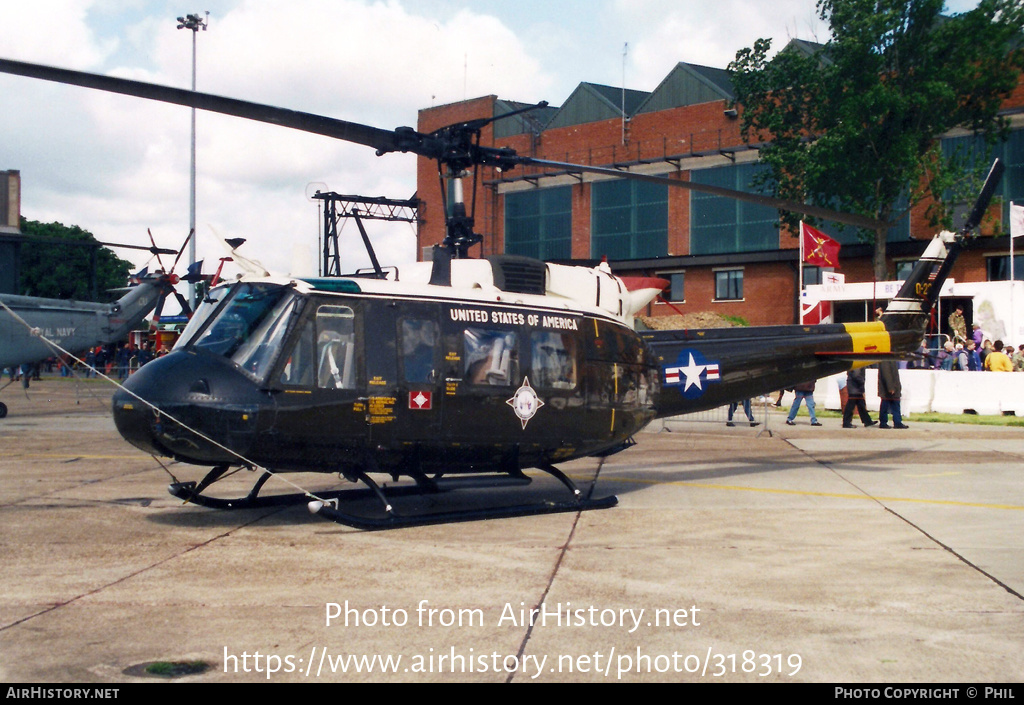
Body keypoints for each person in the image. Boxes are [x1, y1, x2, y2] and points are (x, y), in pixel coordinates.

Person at [876, 360, 908, 429]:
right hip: (888, 388)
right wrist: (890, 387)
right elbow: (886, 374)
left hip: (892, 387)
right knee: (887, 405)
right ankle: (886, 422)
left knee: (893, 404)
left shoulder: (890, 359)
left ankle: (896, 422)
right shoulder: (886, 360)